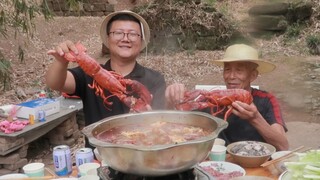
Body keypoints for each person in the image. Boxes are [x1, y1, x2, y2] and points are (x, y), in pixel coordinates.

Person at [45, 10, 166, 147]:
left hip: (140, 153)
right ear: (108, 39)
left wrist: (147, 119)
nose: (125, 38)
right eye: (118, 33)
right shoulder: (87, 76)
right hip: (98, 155)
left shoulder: (155, 79)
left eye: (133, 34)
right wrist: (61, 62)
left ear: (141, 41)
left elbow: (160, 120)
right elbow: (54, 83)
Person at [165, 44, 289, 151]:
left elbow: (283, 146)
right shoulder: (212, 98)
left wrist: (255, 118)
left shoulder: (267, 100)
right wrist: (172, 99)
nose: (231, 76)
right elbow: (177, 122)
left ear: (253, 76)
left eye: (239, 71)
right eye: (227, 69)